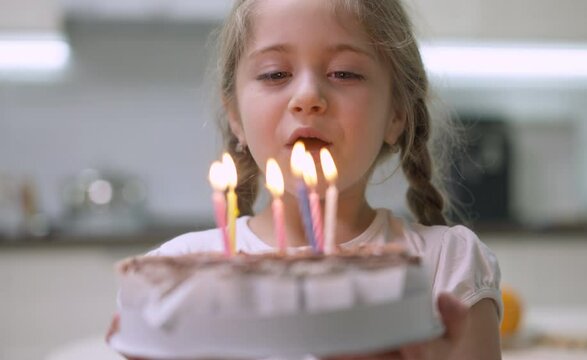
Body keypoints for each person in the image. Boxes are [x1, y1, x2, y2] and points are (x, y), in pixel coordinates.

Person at [108, 0, 503, 358]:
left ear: (396, 113)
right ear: (235, 117)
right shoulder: (173, 277)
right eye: (275, 73)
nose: (308, 95)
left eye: (344, 73)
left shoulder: (443, 268)